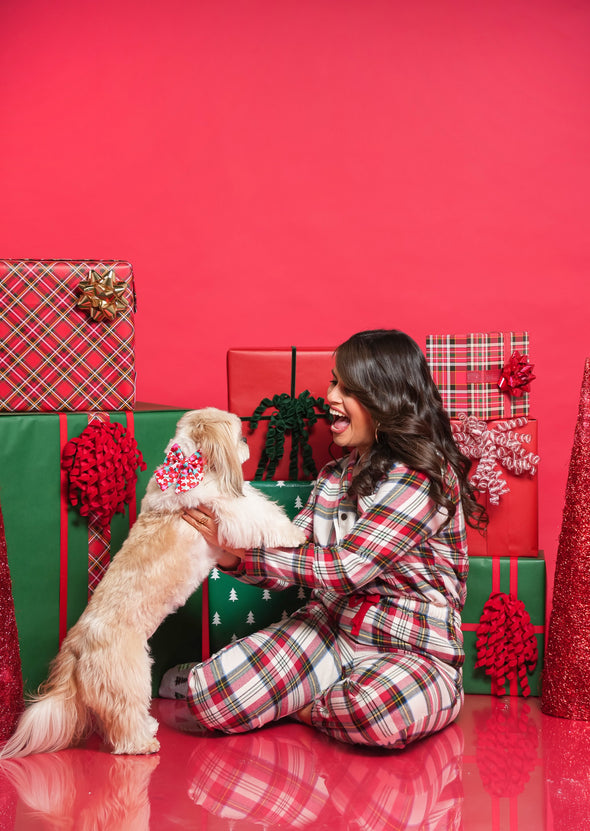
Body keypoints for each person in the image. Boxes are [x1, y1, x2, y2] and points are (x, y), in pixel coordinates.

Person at [162, 329, 486, 748]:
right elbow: (292, 565)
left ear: (384, 399)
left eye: (347, 388)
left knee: (373, 710)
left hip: (413, 650)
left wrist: (252, 553)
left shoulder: (423, 476)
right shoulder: (333, 478)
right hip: (333, 631)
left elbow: (348, 568)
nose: (330, 396)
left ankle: (311, 703)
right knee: (210, 695)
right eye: (334, 382)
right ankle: (326, 698)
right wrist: (231, 557)